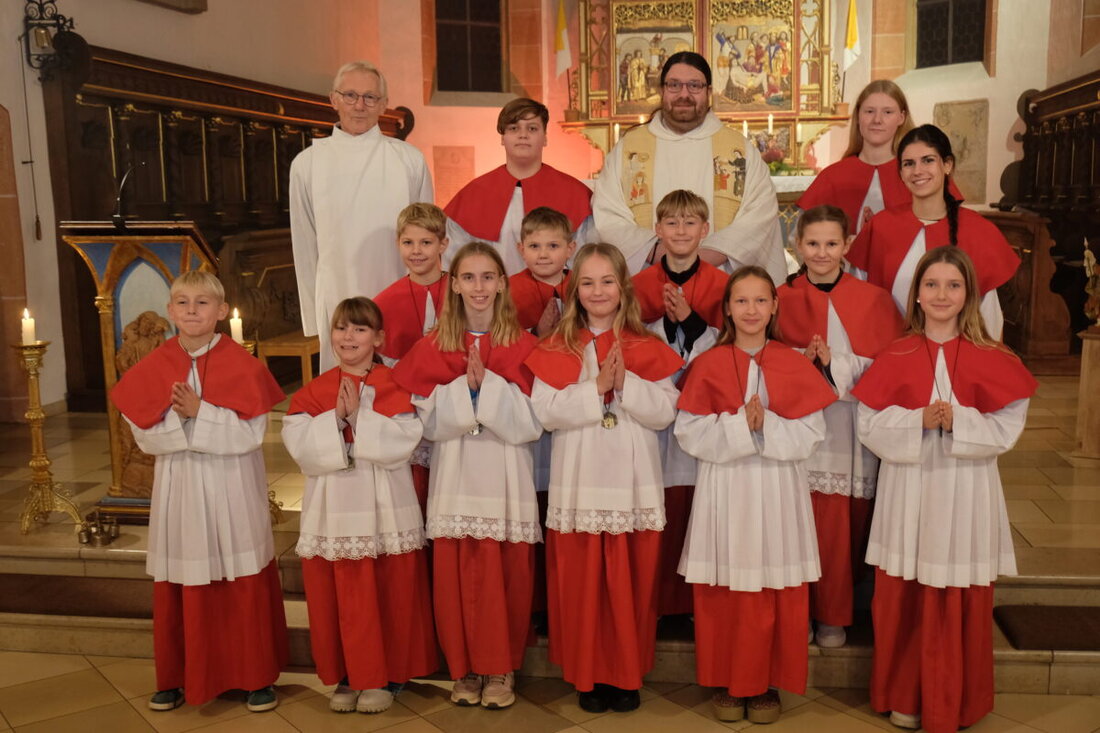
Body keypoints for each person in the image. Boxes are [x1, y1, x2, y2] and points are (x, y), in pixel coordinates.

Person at [851, 247, 1036, 732]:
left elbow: (1008, 425)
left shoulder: (993, 356)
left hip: (964, 487)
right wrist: (917, 420)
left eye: (953, 285)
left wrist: (960, 421)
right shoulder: (896, 353)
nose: (941, 295)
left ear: (969, 294)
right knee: (904, 594)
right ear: (916, 294)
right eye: (931, 284)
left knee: (957, 596)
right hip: (908, 487)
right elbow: (868, 422)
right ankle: (905, 694)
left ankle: (953, 700)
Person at [110, 271, 288, 712]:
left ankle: (255, 676)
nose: (192, 311)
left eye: (203, 303)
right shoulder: (152, 366)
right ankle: (176, 675)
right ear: (171, 311)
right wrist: (191, 423)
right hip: (182, 485)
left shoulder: (244, 366)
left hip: (232, 484)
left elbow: (250, 434)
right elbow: (143, 435)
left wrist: (198, 412)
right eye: (184, 303)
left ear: (221, 312)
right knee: (183, 578)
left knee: (240, 575)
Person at [525, 243, 682, 714]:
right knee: (583, 585)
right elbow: (543, 414)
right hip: (580, 480)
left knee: (630, 583)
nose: (597, 291)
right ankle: (588, 674)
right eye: (588, 282)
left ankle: (626, 673)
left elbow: (666, 411)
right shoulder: (556, 345)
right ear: (576, 290)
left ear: (623, 287)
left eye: (607, 281)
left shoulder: (647, 345)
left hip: (632, 482)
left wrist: (626, 386)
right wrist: (595, 389)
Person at [675, 266, 835, 725]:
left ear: (774, 306)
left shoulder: (793, 362)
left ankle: (765, 683)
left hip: (776, 487)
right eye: (741, 301)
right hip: (725, 488)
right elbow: (689, 431)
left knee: (771, 587)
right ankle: (729, 679)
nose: (750, 310)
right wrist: (738, 426)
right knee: (726, 590)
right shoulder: (708, 363)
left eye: (760, 300)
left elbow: (811, 432)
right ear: (727, 308)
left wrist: (769, 425)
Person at [392, 242, 542, 710]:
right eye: (469, 278)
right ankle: (465, 668)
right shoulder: (432, 346)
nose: (479, 287)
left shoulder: (525, 344)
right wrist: (464, 391)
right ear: (453, 284)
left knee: (505, 576)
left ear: (502, 282)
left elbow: (537, 420)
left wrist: (488, 389)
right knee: (457, 575)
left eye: (488, 277)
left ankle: (500, 668)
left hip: (504, 477)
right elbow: (421, 423)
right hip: (455, 475)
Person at [282, 297, 436, 714]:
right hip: (336, 508)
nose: (348, 336)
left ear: (379, 338)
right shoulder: (316, 390)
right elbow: (299, 445)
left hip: (384, 506)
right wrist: (333, 419)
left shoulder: (396, 384)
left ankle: (384, 675)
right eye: (341, 328)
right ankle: (349, 674)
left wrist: (358, 420)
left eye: (360, 329)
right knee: (343, 596)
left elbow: (406, 439)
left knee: (388, 590)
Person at [775, 205, 904, 648]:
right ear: (797, 246)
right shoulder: (780, 297)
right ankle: (800, 610)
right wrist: (801, 362)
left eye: (832, 244)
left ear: (847, 245)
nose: (822, 253)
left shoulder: (874, 299)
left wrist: (836, 364)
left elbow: (889, 370)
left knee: (842, 526)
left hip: (849, 427)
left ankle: (834, 613)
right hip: (797, 428)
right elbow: (763, 358)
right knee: (798, 520)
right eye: (813, 244)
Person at [290, 60, 434, 370]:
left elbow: (429, 236)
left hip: (398, 287)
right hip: (337, 292)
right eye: (351, 95)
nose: (360, 105)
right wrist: (314, 320)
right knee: (344, 389)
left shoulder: (408, 159)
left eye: (370, 97)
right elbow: (304, 245)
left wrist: (430, 305)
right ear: (334, 100)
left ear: (383, 104)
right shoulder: (307, 163)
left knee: (401, 387)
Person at [593, 51, 785, 280]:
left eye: (694, 85)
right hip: (648, 282)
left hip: (720, 282)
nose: (684, 94)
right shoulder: (628, 149)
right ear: (662, 91)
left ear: (709, 92)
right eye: (674, 85)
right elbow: (609, 212)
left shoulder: (741, 150)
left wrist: (702, 259)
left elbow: (759, 213)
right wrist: (657, 253)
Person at [630, 189, 727, 620]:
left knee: (698, 503)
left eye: (691, 223)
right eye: (672, 223)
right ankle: (657, 599)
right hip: (652, 410)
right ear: (658, 231)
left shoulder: (725, 286)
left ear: (705, 230)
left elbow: (732, 348)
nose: (682, 231)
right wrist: (661, 326)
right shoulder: (638, 286)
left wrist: (689, 322)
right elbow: (629, 340)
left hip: (706, 411)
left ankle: (692, 603)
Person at [846, 124, 1018, 339]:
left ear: (947, 165)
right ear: (900, 172)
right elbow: (859, 300)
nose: (918, 171)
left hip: (957, 358)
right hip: (891, 352)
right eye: (909, 164)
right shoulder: (881, 226)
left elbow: (989, 316)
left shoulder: (978, 231)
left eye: (928, 160)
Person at [444, 98, 593, 276]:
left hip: (559, 299)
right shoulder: (473, 195)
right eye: (514, 128)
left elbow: (585, 261)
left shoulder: (574, 194)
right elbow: (454, 264)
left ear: (545, 137)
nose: (523, 135)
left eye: (532, 128)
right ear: (502, 138)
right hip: (491, 300)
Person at [796, 80, 915, 233]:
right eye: (869, 111)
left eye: (888, 112)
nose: (877, 120)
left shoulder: (918, 174)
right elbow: (802, 237)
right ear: (858, 116)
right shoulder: (832, 177)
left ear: (902, 117)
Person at [374, 203, 451, 364]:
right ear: (398, 244)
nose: (416, 250)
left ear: (442, 245)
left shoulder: (464, 292)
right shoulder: (383, 303)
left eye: (426, 243)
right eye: (408, 243)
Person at [510, 206, 576, 336]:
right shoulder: (509, 290)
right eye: (534, 246)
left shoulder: (581, 284)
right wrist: (537, 332)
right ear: (522, 250)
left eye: (553, 246)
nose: (543, 254)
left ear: (569, 249)